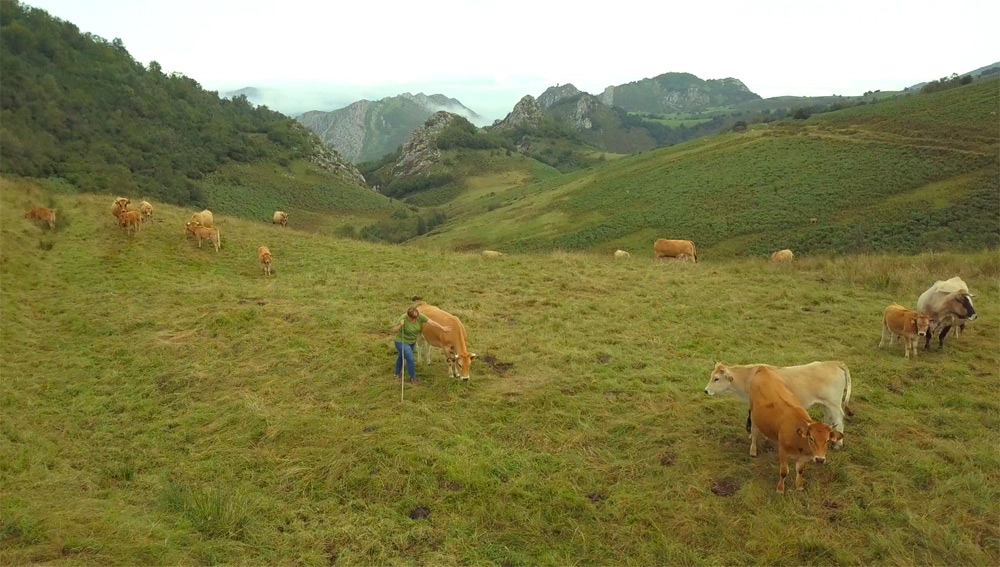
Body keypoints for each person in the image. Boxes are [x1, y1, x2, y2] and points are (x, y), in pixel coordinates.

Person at [391, 306, 450, 385]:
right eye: (412, 318)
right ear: (408, 316)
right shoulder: (403, 318)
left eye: (415, 318)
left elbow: (431, 322)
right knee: (410, 359)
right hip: (402, 342)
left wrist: (442, 328)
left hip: (412, 342)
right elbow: (393, 330)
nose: (414, 320)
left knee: (401, 357)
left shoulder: (419, 317)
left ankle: (396, 374)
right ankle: (413, 378)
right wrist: (400, 326)